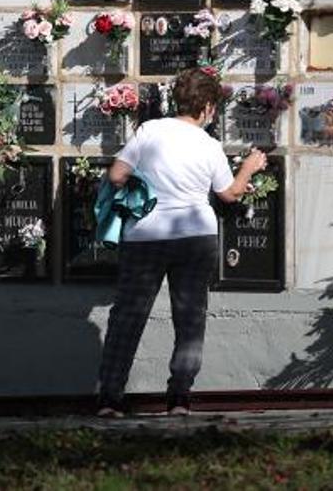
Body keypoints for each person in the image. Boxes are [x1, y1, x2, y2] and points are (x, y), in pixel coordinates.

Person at [95, 67, 267, 417]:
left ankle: (111, 400)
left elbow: (116, 175)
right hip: (195, 237)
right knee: (190, 318)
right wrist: (250, 167)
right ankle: (179, 400)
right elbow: (229, 194)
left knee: (128, 316)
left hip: (144, 236)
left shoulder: (149, 130)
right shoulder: (209, 145)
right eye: (214, 107)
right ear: (206, 107)